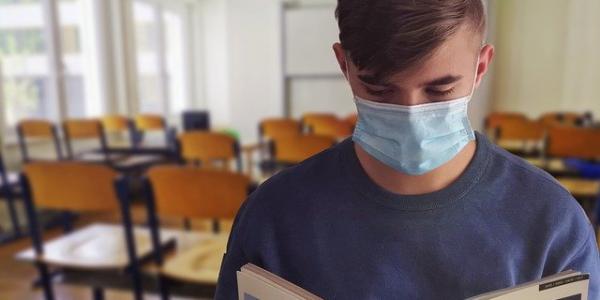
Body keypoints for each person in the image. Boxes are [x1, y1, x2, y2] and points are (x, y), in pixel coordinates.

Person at [215, 0, 600, 299]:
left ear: (480, 67)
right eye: (380, 90)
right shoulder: (272, 218)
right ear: (344, 66)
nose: (411, 114)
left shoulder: (553, 225)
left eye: (439, 90)